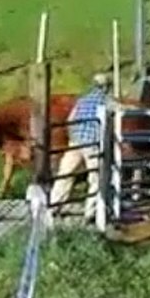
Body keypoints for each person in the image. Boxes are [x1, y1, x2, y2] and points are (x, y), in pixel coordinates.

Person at [49, 72, 112, 222]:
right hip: (93, 143)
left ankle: (53, 206)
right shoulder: (107, 101)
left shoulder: (82, 100)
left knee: (65, 174)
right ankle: (91, 211)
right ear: (107, 87)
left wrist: (74, 136)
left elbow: (71, 119)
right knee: (96, 177)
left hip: (76, 141)